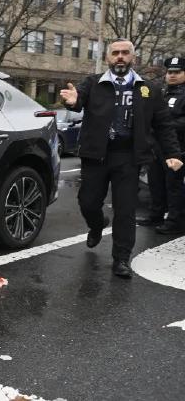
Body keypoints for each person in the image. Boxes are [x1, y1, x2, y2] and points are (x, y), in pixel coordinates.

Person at [59, 39, 182, 279]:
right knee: (88, 203)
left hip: (128, 157)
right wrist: (72, 101)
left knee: (125, 210)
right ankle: (96, 225)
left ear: (133, 58)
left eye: (125, 53)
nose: (120, 57)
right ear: (108, 58)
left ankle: (121, 259)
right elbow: (78, 99)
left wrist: (173, 154)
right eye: (115, 53)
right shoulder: (94, 83)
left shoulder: (149, 89)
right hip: (96, 155)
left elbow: (164, 124)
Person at [150, 56, 185, 235]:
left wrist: (165, 124)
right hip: (157, 147)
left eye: (177, 72)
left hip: (177, 148)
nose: (172, 75)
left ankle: (174, 221)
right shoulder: (162, 93)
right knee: (156, 183)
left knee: (174, 186)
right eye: (170, 72)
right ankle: (156, 215)